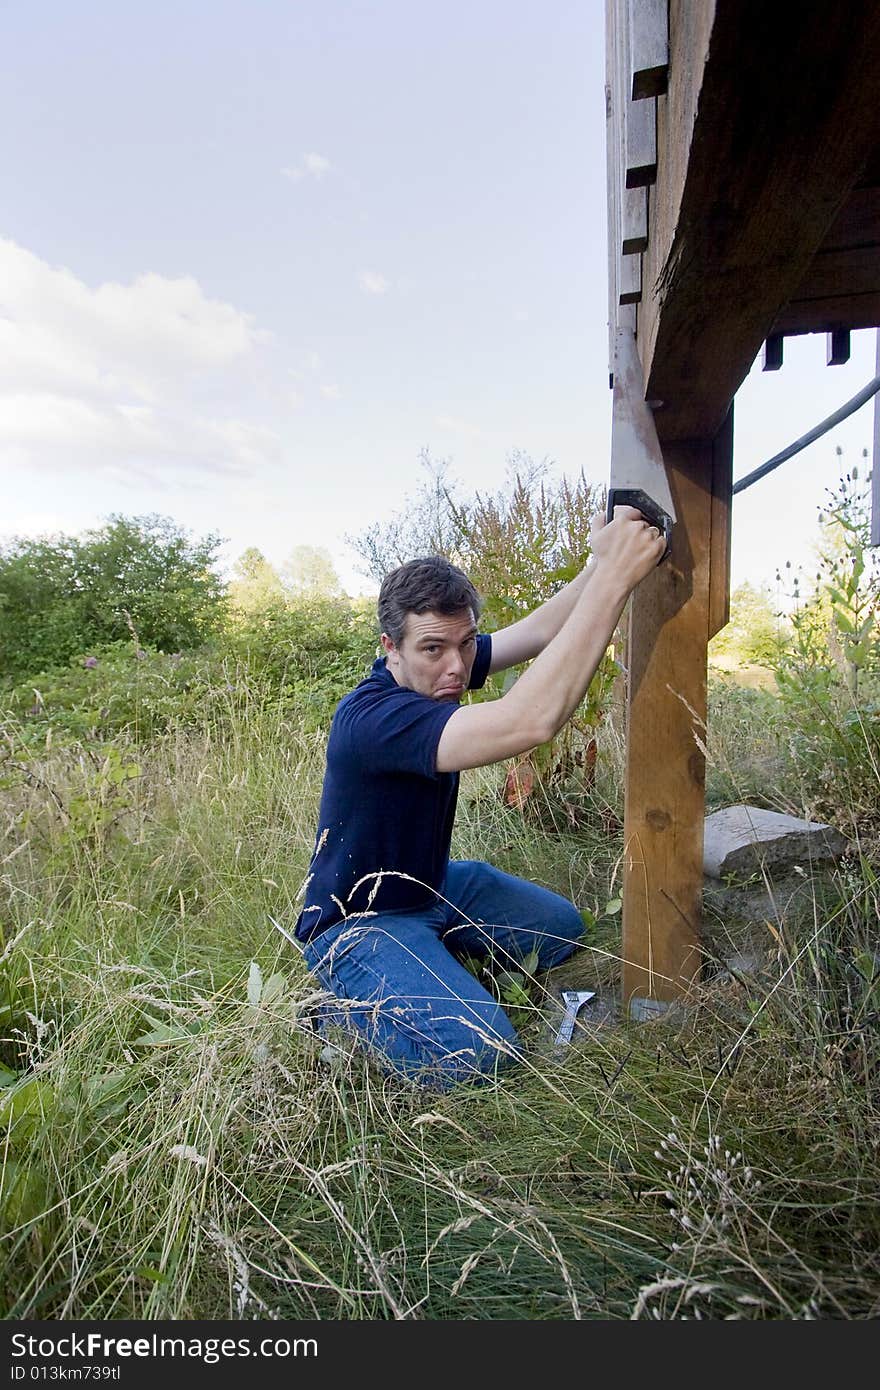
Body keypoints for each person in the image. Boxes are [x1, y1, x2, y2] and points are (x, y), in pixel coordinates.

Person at [294, 505, 666, 1087]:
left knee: (561, 928)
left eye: (466, 644)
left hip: (430, 885)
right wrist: (618, 580)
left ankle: (431, 955)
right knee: (481, 1055)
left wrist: (600, 562)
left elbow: (542, 630)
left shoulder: (446, 660)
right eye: (434, 649)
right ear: (390, 647)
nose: (456, 667)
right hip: (358, 921)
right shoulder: (374, 720)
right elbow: (529, 721)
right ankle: (337, 1015)